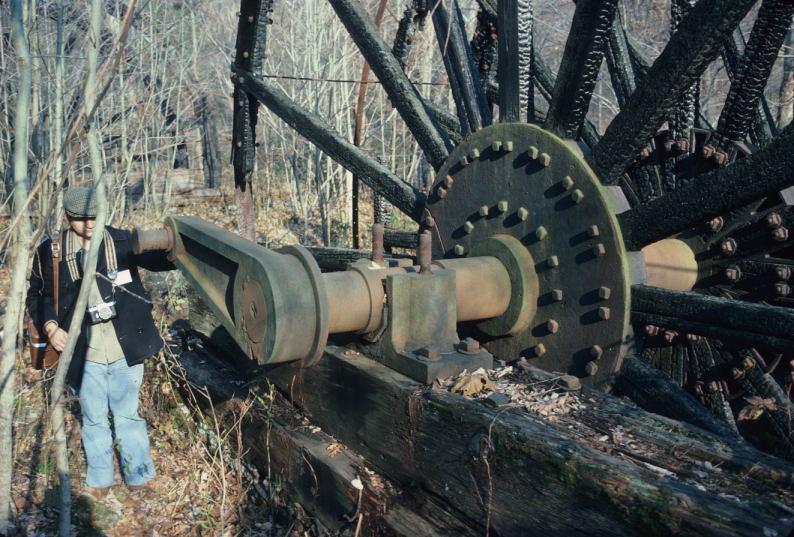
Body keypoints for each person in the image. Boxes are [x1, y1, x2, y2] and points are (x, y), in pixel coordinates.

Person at [26, 186, 174, 498]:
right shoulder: (51, 252)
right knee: (94, 419)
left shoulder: (121, 240)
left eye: (95, 216)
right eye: (81, 218)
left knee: (128, 415)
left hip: (124, 345)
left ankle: (139, 474)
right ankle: (101, 478)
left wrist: (176, 243)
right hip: (83, 352)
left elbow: (163, 261)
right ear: (68, 217)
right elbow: (36, 295)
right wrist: (51, 327)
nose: (90, 223)